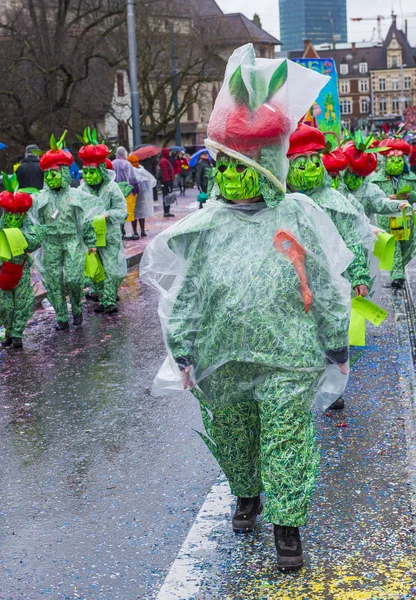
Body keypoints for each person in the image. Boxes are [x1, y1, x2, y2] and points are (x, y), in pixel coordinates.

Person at [141, 45, 352, 570]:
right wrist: (183, 351)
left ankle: (287, 527)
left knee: (286, 437)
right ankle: (246, 492)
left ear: (268, 164)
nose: (234, 177)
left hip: (289, 356)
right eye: (226, 166)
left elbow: (324, 284)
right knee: (235, 436)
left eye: (246, 165)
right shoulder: (206, 225)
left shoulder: (299, 214)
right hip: (223, 356)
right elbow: (188, 295)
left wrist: (335, 339)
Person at [32, 133, 96, 330]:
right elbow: (34, 223)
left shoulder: (76, 196)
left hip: (72, 241)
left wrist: (91, 241)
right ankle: (61, 316)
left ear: (65, 173)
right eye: (47, 174)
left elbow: (84, 220)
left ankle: (76, 308)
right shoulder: (39, 199)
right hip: (50, 242)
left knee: (74, 278)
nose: (51, 178)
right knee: (53, 281)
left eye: (55, 173)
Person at [78, 130, 127, 314]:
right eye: (86, 172)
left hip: (110, 234)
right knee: (96, 269)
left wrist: (108, 215)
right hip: (91, 237)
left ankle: (109, 300)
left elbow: (122, 210)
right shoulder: (81, 189)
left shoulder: (112, 188)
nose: (89, 176)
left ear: (101, 170)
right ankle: (102, 297)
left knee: (112, 268)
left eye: (93, 172)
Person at [0, 176, 47, 349]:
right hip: (3, 271)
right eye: (9, 215)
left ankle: (18, 334)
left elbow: (35, 240)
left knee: (20, 303)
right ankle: (9, 331)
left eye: (16, 215)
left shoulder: (27, 226)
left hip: (21, 270)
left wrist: (20, 237)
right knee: (4, 305)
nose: (13, 219)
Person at [371, 137, 416, 288]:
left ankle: (399, 269)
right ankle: (397, 275)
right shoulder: (377, 180)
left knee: (407, 246)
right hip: (387, 218)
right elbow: (373, 198)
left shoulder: (410, 178)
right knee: (394, 245)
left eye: (399, 160)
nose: (396, 163)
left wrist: (409, 195)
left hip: (405, 218)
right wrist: (387, 198)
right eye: (392, 160)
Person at [112, 146, 140, 238]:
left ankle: (119, 232)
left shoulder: (113, 164)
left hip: (115, 192)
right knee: (128, 212)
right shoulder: (127, 164)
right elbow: (132, 178)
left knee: (117, 212)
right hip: (127, 191)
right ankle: (128, 233)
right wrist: (136, 188)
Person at [127, 154, 157, 237]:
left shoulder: (131, 170)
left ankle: (136, 231)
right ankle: (142, 230)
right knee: (140, 214)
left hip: (134, 194)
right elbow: (150, 180)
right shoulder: (142, 169)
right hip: (142, 195)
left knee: (135, 214)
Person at [159, 148, 175, 218]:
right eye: (169, 152)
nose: (170, 153)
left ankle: (167, 211)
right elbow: (165, 172)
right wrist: (168, 181)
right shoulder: (164, 161)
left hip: (166, 181)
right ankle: (166, 211)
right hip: (166, 182)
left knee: (167, 196)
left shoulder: (165, 160)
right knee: (166, 196)